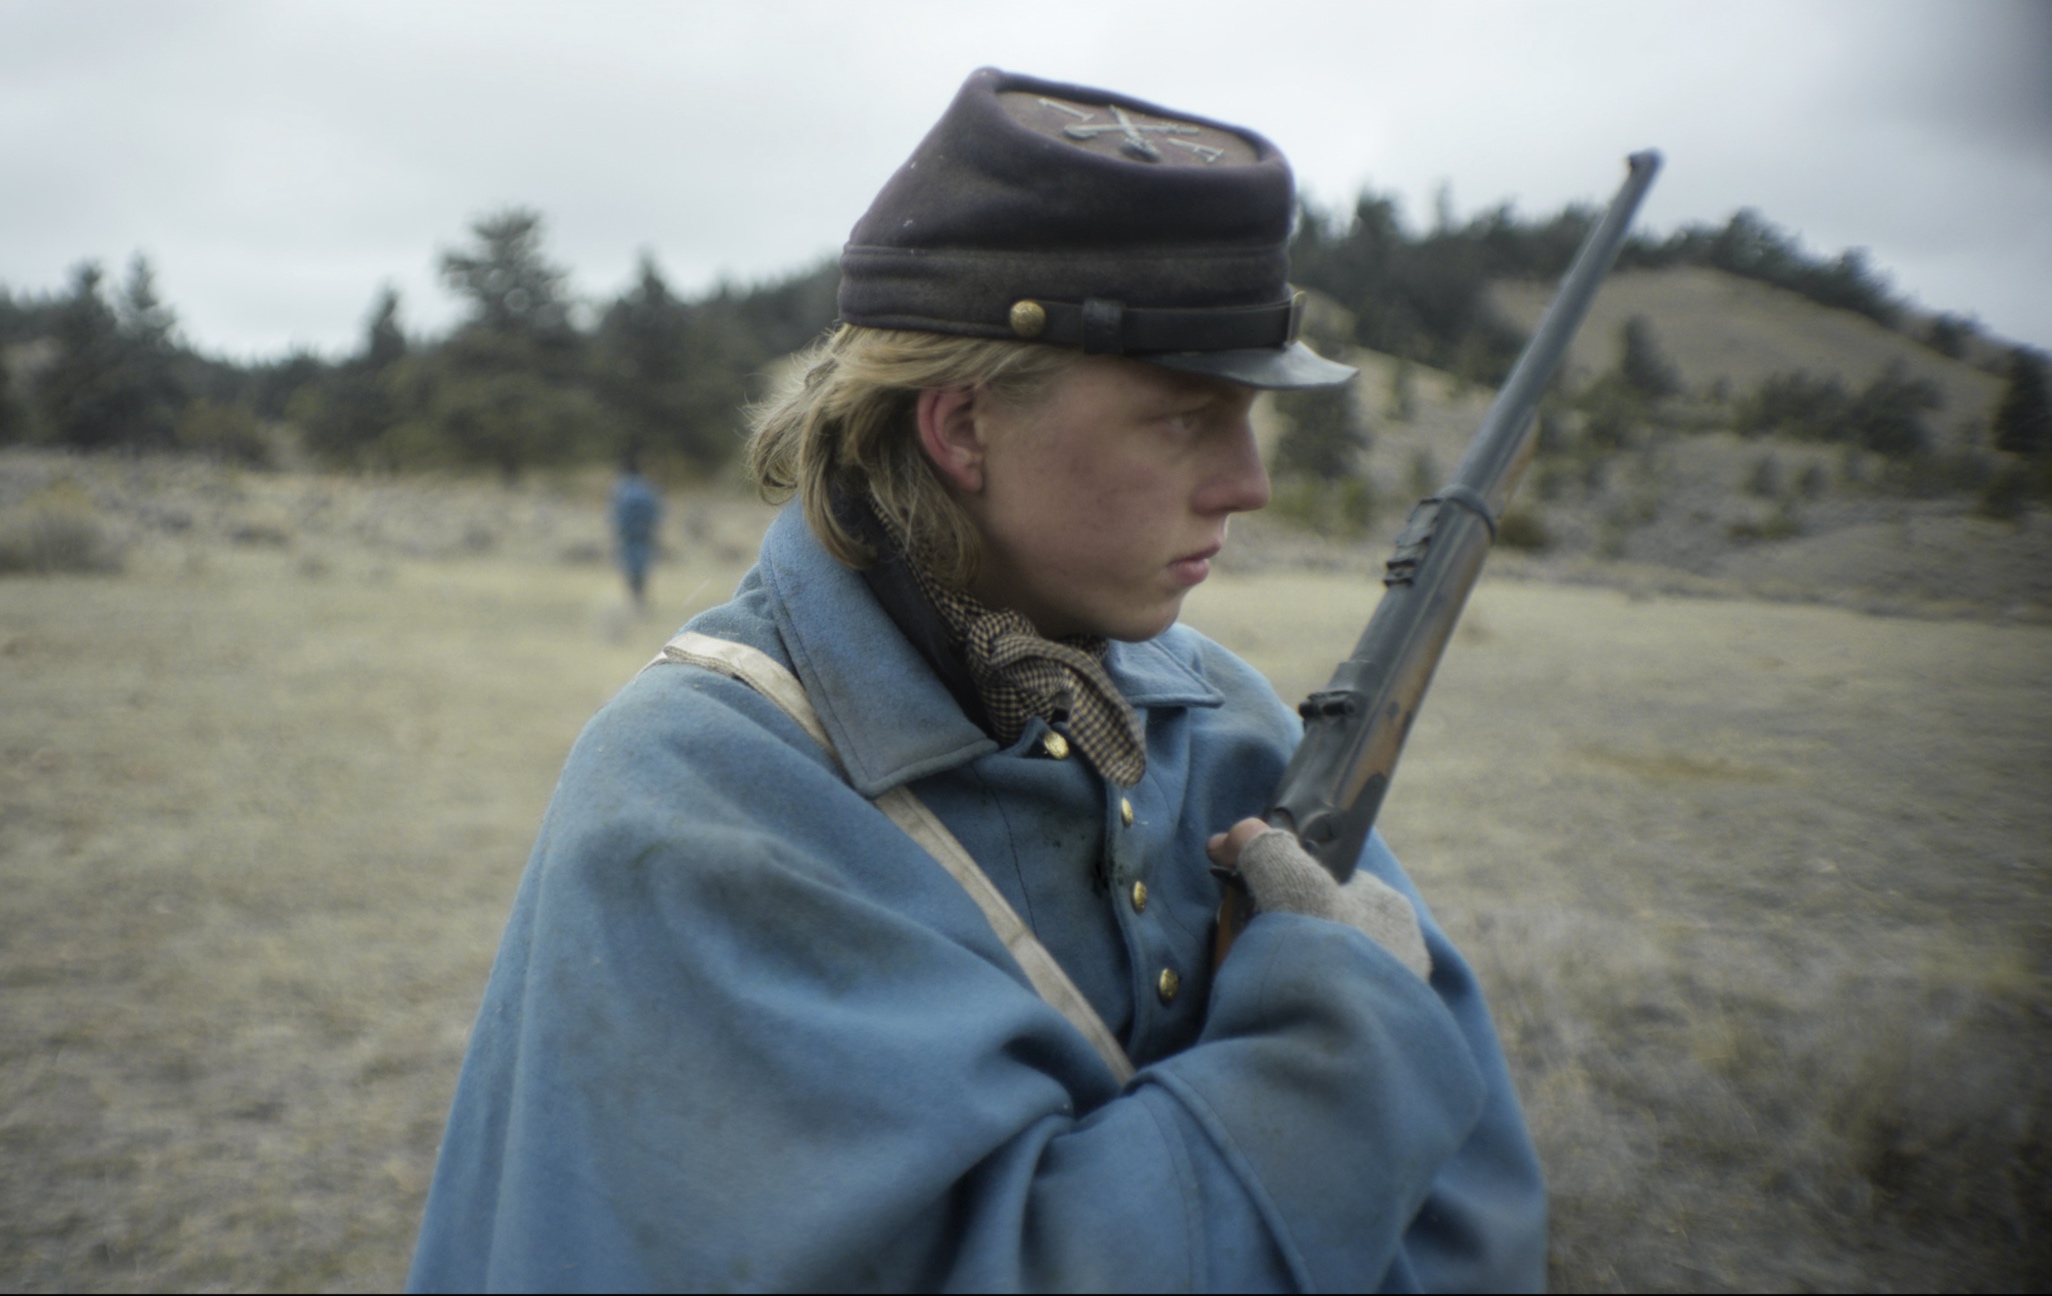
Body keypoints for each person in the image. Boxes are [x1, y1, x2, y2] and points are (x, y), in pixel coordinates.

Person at [410, 68, 1546, 1292]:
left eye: (1250, 414)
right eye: (1183, 416)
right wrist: (1344, 1042)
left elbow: (1474, 1225)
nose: (1248, 483)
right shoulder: (688, 803)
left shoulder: (1221, 720)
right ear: (962, 429)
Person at [610, 451, 663, 609]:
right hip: (645, 535)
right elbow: (656, 511)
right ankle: (641, 599)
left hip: (628, 536)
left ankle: (635, 600)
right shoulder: (647, 487)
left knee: (629, 568)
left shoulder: (622, 488)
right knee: (642, 568)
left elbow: (616, 514)